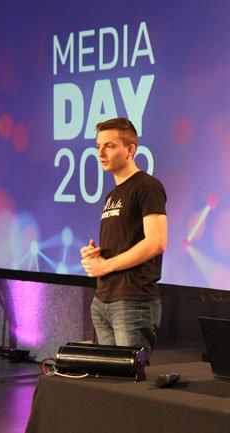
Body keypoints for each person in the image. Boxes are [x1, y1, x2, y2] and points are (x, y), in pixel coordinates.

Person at [80, 117, 167, 361]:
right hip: (103, 301)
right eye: (98, 146)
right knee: (110, 381)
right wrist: (96, 255)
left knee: (130, 380)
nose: (100, 153)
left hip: (132, 302)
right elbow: (125, 242)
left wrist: (106, 265)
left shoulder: (146, 186)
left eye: (109, 146)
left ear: (130, 150)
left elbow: (156, 242)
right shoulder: (112, 194)